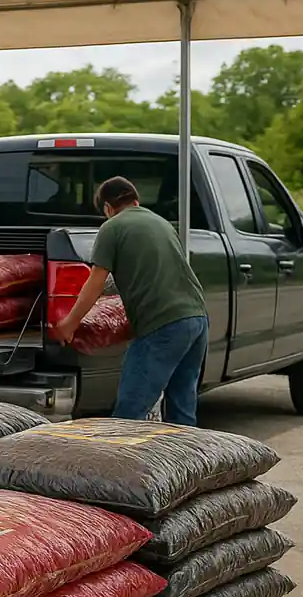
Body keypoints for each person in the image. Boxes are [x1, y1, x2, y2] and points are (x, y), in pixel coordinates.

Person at [52, 176, 208, 425]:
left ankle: (120, 461)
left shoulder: (112, 227)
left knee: (130, 409)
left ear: (107, 207)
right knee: (182, 406)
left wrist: (69, 323)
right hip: (197, 318)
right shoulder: (161, 223)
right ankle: (185, 461)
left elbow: (96, 282)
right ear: (135, 199)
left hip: (162, 324)